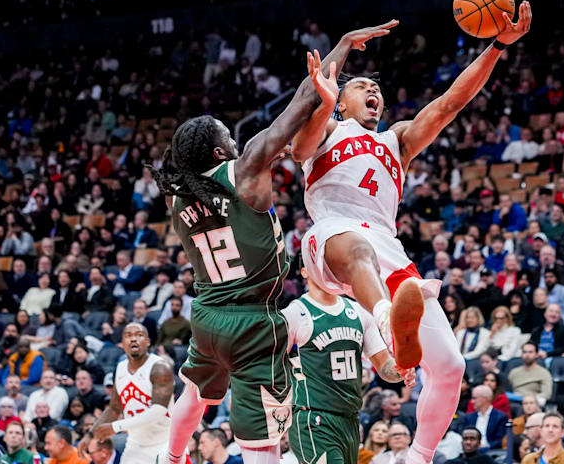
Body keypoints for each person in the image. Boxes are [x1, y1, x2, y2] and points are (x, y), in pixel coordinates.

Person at [293, 6, 532, 464]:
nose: (373, 91)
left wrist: (497, 46)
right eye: (361, 87)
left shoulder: (397, 141)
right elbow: (299, 143)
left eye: (377, 89)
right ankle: (385, 319)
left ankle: (419, 456)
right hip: (331, 233)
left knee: (450, 366)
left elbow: (450, 103)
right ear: (340, 102)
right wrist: (332, 75)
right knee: (359, 249)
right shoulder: (327, 128)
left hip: (387, 247)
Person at [159, 26, 398, 464]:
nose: (235, 141)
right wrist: (343, 47)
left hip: (207, 315)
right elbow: (304, 99)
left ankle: (171, 458)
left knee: (195, 389)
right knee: (262, 440)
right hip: (254, 322)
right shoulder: (245, 168)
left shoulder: (175, 196)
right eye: (227, 137)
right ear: (219, 153)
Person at [283, 266, 406, 464]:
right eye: (321, 263)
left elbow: (385, 366)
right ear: (305, 271)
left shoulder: (359, 312)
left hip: (350, 419)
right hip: (314, 417)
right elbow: (268, 365)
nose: (328, 270)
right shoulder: (294, 314)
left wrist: (402, 367)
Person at [83, 324, 172, 464]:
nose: (133, 339)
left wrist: (116, 426)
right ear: (122, 343)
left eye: (139, 335)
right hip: (135, 444)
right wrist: (90, 435)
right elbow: (114, 409)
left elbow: (158, 410)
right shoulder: (120, 368)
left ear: (148, 342)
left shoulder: (160, 367)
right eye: (128, 336)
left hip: (164, 443)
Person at [460, 386, 508, 450]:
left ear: (484, 399)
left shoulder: (500, 417)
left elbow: (500, 440)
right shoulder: (469, 417)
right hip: (470, 451)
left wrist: (485, 447)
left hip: (490, 451)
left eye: (474, 398)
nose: (472, 401)